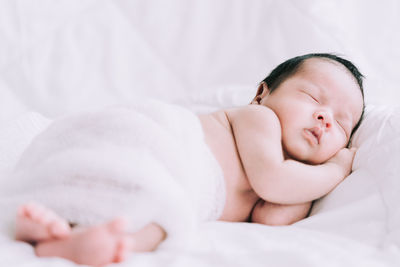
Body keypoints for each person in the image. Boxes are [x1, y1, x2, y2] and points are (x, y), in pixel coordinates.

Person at [14, 53, 365, 266]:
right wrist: (334, 169)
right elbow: (273, 180)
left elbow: (272, 218)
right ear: (262, 93)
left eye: (342, 123)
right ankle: (61, 212)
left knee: (164, 218)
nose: (325, 118)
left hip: (178, 187)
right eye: (311, 96)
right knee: (146, 192)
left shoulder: (289, 180)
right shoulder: (259, 119)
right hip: (158, 143)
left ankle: (73, 234)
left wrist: (311, 176)